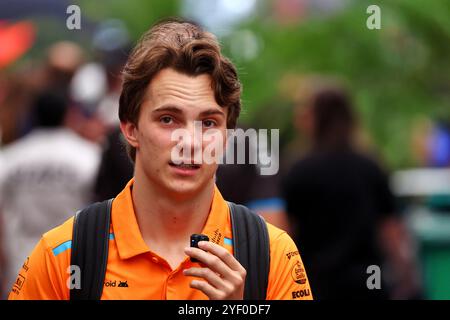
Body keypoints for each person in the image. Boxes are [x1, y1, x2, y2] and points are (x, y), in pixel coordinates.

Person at [8, 18, 312, 300]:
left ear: (227, 137)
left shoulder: (271, 255)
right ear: (130, 128)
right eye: (168, 119)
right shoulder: (63, 254)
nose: (189, 142)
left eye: (208, 123)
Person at [282, 86, 421, 299]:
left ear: (319, 118)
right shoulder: (369, 166)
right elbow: (390, 230)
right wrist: (407, 274)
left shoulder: (300, 170)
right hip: (369, 279)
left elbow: (286, 232)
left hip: (318, 281)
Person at [0, 90, 100, 298]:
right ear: (67, 115)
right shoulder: (89, 156)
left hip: (22, 262)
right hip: (75, 263)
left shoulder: (10, 158)